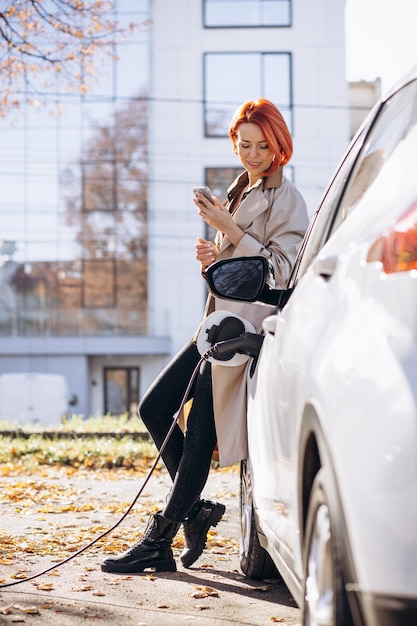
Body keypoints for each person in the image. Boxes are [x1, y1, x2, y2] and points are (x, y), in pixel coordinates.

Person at [101, 99, 309, 574]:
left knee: (199, 435)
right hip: (213, 325)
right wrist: (211, 259)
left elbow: (281, 271)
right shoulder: (241, 187)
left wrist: (228, 229)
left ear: (279, 145)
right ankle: (194, 512)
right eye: (244, 144)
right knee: (153, 407)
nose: (253, 154)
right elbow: (237, 267)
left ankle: (159, 539)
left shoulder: (286, 198)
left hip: (241, 334)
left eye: (263, 145)